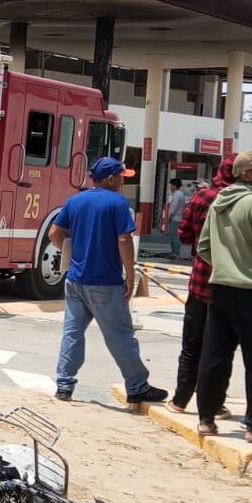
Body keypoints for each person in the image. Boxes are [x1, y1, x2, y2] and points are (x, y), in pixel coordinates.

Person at [50, 157, 168, 405]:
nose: (123, 180)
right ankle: (137, 386)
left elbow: (54, 233)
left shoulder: (75, 200)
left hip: (75, 280)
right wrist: (131, 274)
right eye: (121, 176)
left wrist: (71, 254)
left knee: (72, 334)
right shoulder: (117, 203)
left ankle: (64, 385)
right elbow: (124, 240)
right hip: (106, 281)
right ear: (111, 178)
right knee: (120, 336)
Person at [196, 150, 252, 443]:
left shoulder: (219, 202)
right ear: (246, 174)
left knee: (215, 357)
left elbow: (204, 248)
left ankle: (206, 420)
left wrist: (225, 266)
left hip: (221, 289)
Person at [168, 154, 235, 415]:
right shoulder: (242, 200)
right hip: (228, 285)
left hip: (199, 282)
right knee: (220, 349)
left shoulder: (201, 196)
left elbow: (184, 234)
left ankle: (180, 400)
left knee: (191, 343)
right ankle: (214, 404)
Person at [162, 178, 189, 259]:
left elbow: (173, 208)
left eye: (171, 185)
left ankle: (175, 252)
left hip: (175, 218)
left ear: (175, 186)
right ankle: (174, 252)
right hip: (178, 218)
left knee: (174, 236)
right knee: (174, 236)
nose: (170, 187)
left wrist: (169, 218)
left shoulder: (177, 195)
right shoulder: (180, 194)